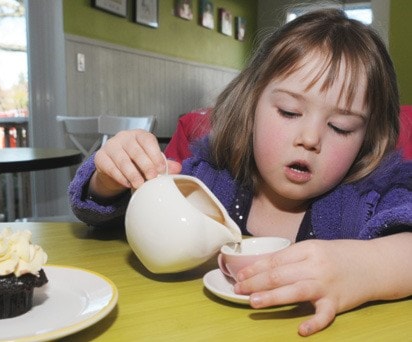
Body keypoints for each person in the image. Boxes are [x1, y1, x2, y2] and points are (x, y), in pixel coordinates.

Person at [69, 8, 412, 337]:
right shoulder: (209, 179)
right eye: (290, 112)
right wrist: (113, 176)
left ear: (367, 140)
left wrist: (360, 269)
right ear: (252, 104)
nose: (309, 139)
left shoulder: (368, 201)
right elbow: (110, 219)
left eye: (340, 127)